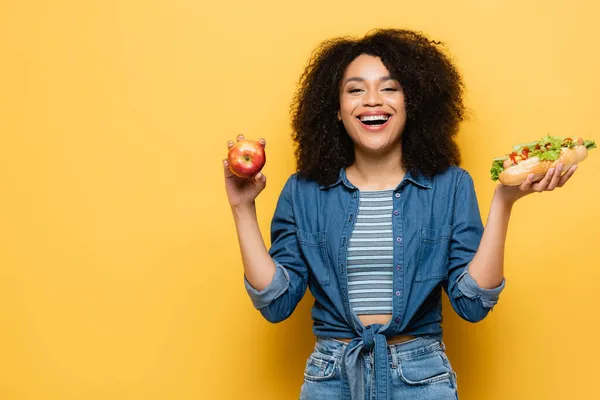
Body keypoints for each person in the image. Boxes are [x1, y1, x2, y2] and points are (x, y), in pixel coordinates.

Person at [222, 28, 576, 400]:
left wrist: (504, 201)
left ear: (412, 103)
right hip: (331, 378)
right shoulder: (303, 191)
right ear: (338, 112)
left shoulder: (450, 186)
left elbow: (472, 304)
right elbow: (276, 302)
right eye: (355, 90)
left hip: (421, 378)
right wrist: (242, 208)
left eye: (389, 88)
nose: (372, 101)